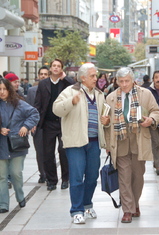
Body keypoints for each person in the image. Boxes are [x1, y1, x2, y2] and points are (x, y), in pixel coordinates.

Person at [53, 63, 109, 224]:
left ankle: (87, 205)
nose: (95, 78)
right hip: (75, 142)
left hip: (94, 142)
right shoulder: (70, 92)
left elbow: (104, 116)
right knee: (77, 177)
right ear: (83, 78)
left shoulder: (99, 94)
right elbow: (56, 109)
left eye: (95, 75)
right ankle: (76, 210)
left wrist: (106, 121)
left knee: (92, 176)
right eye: (92, 76)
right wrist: (71, 101)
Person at [105, 67, 159, 223]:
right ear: (116, 81)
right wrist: (107, 143)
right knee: (124, 177)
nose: (124, 85)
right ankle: (128, 210)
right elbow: (106, 121)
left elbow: (156, 111)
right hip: (120, 140)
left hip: (139, 139)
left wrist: (151, 119)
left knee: (138, 176)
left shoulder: (145, 94)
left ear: (133, 80)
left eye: (126, 81)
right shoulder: (110, 98)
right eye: (121, 81)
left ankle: (135, 204)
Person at [34, 59, 75, 191]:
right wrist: (36, 121)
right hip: (48, 123)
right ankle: (51, 180)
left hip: (64, 122)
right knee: (48, 153)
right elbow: (38, 103)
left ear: (62, 69)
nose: (56, 68)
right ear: (50, 68)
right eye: (54, 66)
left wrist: (65, 78)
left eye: (59, 66)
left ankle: (65, 179)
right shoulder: (43, 84)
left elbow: (77, 88)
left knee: (63, 151)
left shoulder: (66, 83)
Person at [0, 78, 39, 213]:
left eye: (4, 89)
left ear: (9, 90)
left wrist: (26, 126)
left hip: (17, 145)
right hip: (1, 146)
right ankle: (3, 204)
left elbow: (34, 114)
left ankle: (20, 195)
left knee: (16, 173)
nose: (2, 92)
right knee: (2, 176)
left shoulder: (19, 104)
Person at [26, 66, 49, 183]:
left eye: (45, 74)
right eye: (41, 74)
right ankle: (42, 173)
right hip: (37, 126)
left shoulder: (52, 89)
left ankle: (50, 173)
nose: (43, 76)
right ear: (39, 76)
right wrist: (30, 124)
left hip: (49, 126)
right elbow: (29, 109)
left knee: (49, 151)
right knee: (39, 151)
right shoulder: (31, 91)